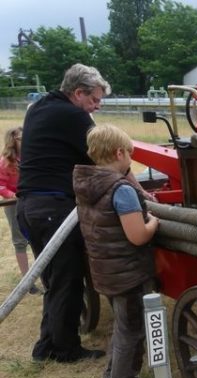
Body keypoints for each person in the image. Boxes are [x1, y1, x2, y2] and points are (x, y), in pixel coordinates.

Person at [16, 63, 110, 362]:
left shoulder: (39, 107)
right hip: (53, 208)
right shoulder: (73, 115)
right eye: (94, 99)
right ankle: (67, 350)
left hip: (29, 206)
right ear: (77, 92)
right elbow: (103, 155)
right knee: (69, 278)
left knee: (54, 278)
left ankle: (46, 345)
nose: (98, 105)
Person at [73, 124, 158, 378]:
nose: (131, 161)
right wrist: (154, 223)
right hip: (128, 273)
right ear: (119, 152)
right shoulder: (120, 191)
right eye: (130, 155)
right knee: (131, 330)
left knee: (122, 327)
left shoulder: (88, 184)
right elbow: (137, 235)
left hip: (105, 270)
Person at [0, 126, 40, 294]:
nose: (25, 141)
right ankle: (27, 282)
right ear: (13, 141)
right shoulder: (5, 161)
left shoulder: (31, 157)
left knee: (38, 238)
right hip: (13, 204)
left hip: (32, 201)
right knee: (20, 241)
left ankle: (44, 274)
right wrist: (11, 195)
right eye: (21, 139)